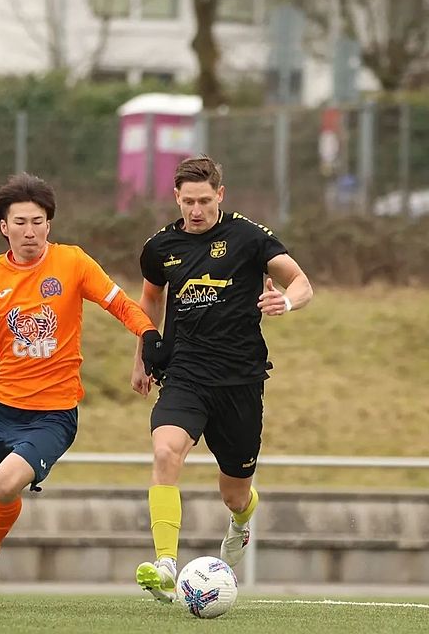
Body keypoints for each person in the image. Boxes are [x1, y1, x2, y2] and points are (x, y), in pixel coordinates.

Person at [0, 173, 166, 606]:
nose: (31, 231)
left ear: (50, 224)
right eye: (21, 222)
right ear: (4, 227)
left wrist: (149, 334)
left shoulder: (73, 262)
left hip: (53, 413)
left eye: (39, 221)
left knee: (5, 484)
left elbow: (120, 303)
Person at [131, 155, 313, 602]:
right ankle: (165, 564)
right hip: (185, 373)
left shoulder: (248, 236)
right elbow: (150, 301)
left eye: (204, 201)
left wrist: (284, 303)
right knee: (165, 451)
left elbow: (301, 282)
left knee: (234, 494)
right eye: (188, 201)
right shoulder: (160, 247)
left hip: (240, 380)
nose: (196, 210)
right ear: (175, 197)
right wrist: (141, 356)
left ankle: (242, 523)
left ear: (221, 195)